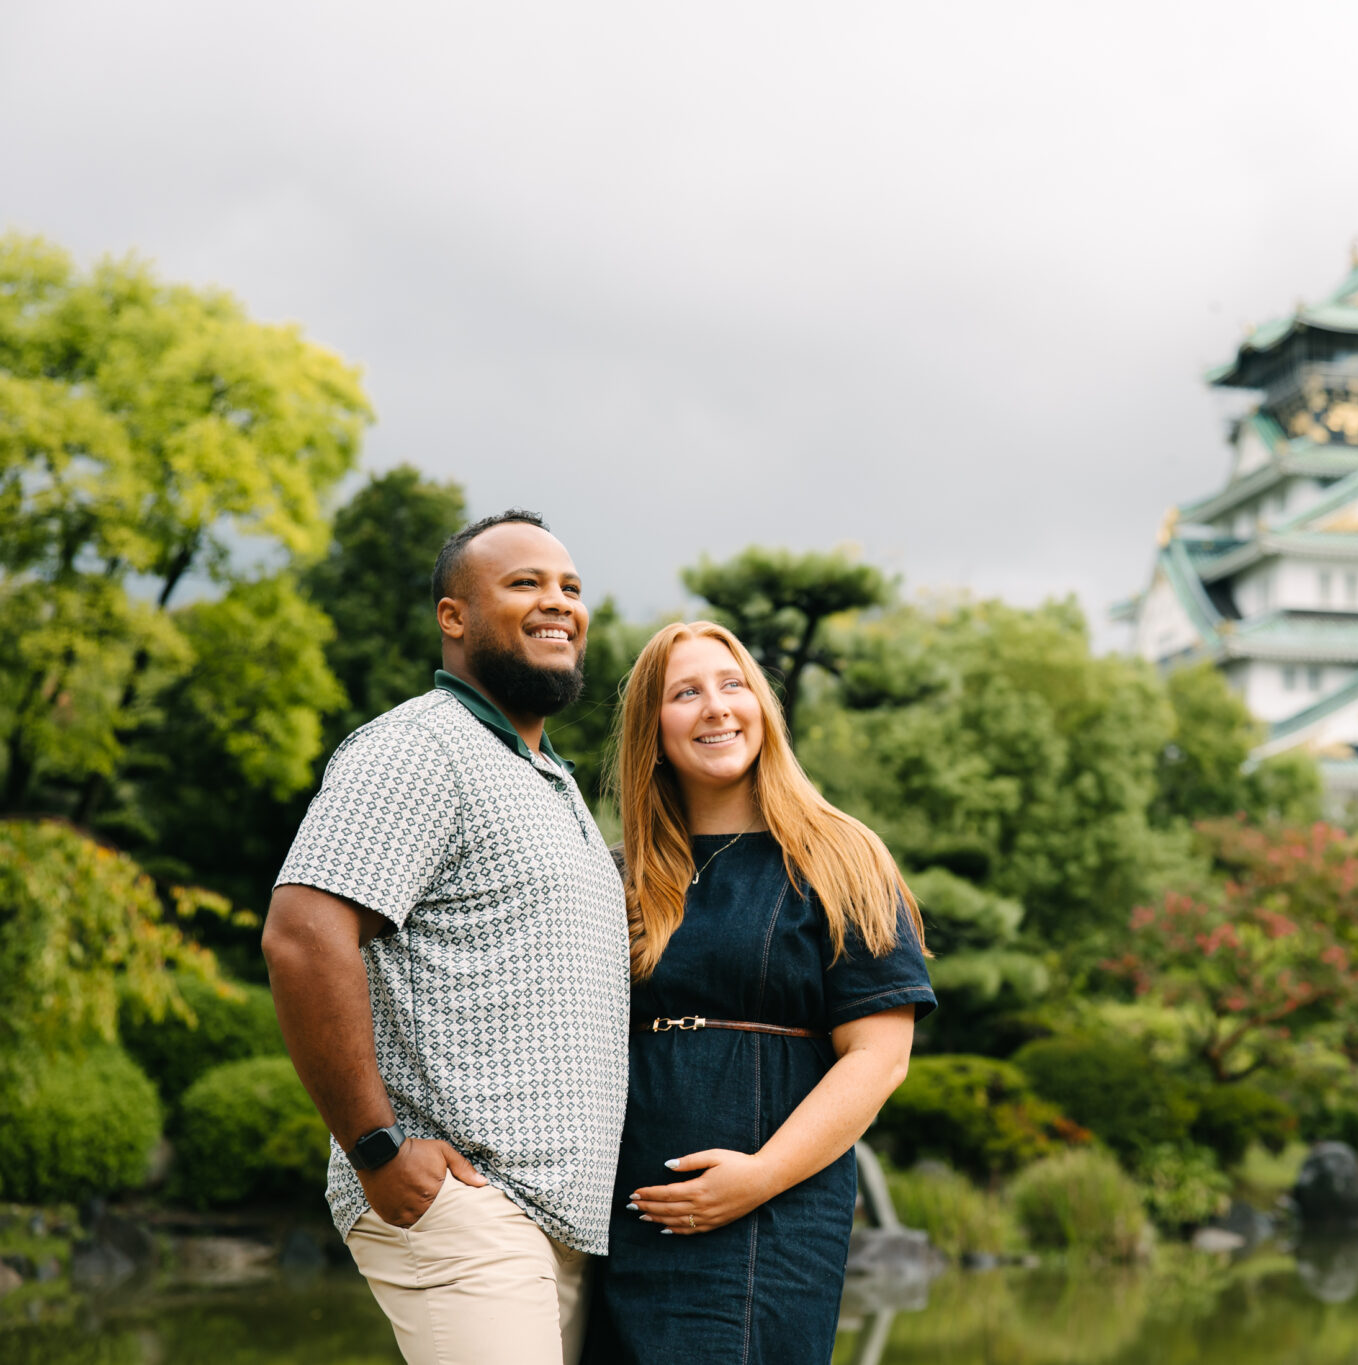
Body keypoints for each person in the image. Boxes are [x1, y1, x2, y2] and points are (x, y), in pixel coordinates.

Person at [263, 510, 630, 1365]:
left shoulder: (547, 778)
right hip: (466, 1203)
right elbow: (303, 933)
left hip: (559, 1224)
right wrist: (375, 1146)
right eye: (525, 583)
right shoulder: (420, 745)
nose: (558, 602)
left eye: (570, 588)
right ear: (453, 616)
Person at [589, 621, 934, 1365]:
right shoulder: (614, 876)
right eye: (685, 693)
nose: (715, 706)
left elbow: (880, 1058)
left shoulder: (840, 856)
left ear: (763, 708)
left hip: (769, 1218)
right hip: (623, 1219)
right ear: (653, 728)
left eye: (732, 684)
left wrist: (757, 1178)